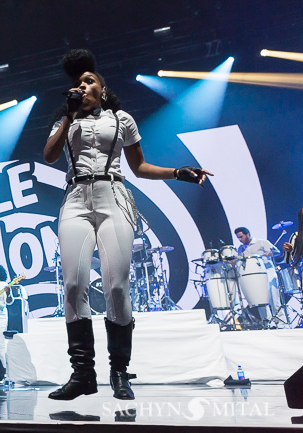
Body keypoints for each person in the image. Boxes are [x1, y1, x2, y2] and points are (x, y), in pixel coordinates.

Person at [43, 49, 212, 401]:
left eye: (89, 81)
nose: (83, 85)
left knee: (116, 287)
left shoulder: (122, 119)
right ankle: (82, 375)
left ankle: (119, 372)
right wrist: (68, 117)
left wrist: (178, 172)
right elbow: (49, 155)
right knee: (74, 285)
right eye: (78, 83)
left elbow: (140, 167)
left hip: (113, 195)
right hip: (74, 200)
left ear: (102, 90)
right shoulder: (65, 120)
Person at [234, 226, 282, 322]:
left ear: (248, 234)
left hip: (267, 271)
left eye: (241, 237)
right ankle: (267, 322)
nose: (240, 239)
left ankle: (281, 322)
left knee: (273, 297)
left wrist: (268, 254)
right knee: (260, 299)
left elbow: (277, 252)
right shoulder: (241, 249)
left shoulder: (261, 242)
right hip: (254, 275)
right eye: (238, 238)